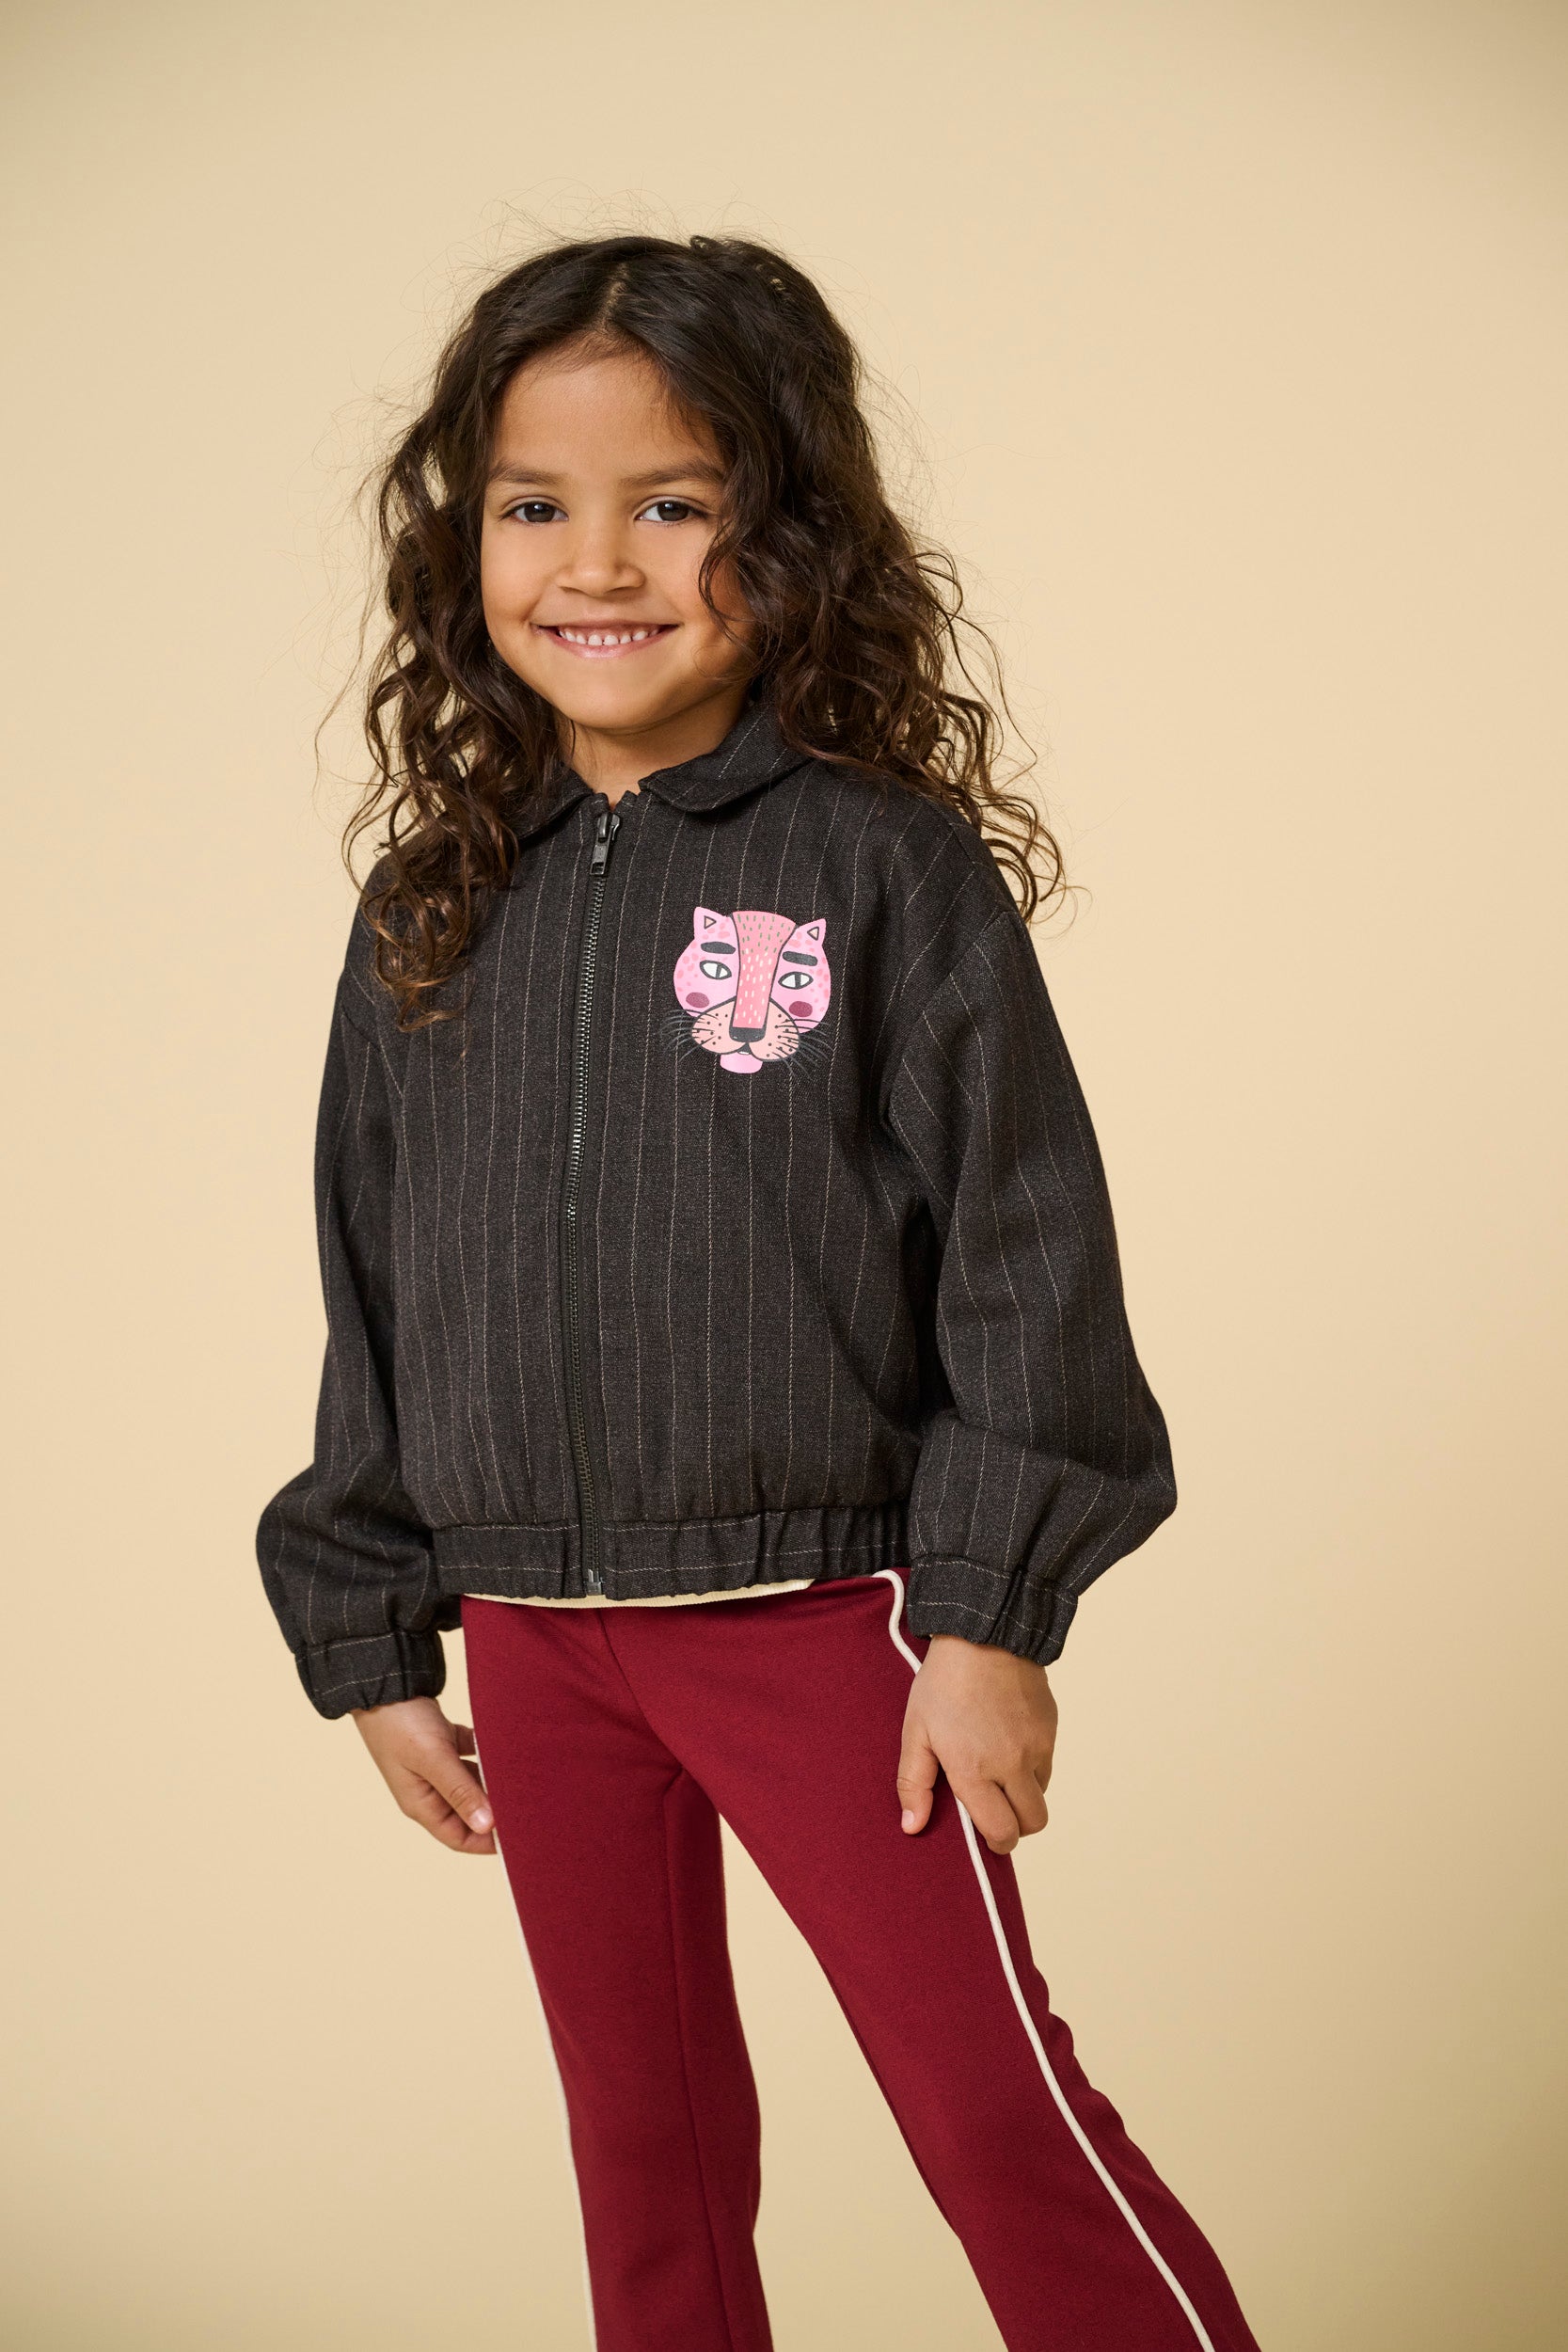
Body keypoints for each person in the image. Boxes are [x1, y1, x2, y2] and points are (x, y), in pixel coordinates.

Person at [257, 231, 1260, 2352]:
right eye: (534, 504)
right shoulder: (433, 900)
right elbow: (375, 1271)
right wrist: (372, 1623)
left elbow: (1025, 1248)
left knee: (993, 2121)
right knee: (648, 2158)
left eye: (673, 501)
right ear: (463, 544)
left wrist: (988, 1617)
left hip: (830, 1625)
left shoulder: (879, 866)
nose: (595, 563)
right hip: (539, 1630)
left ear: (786, 537)